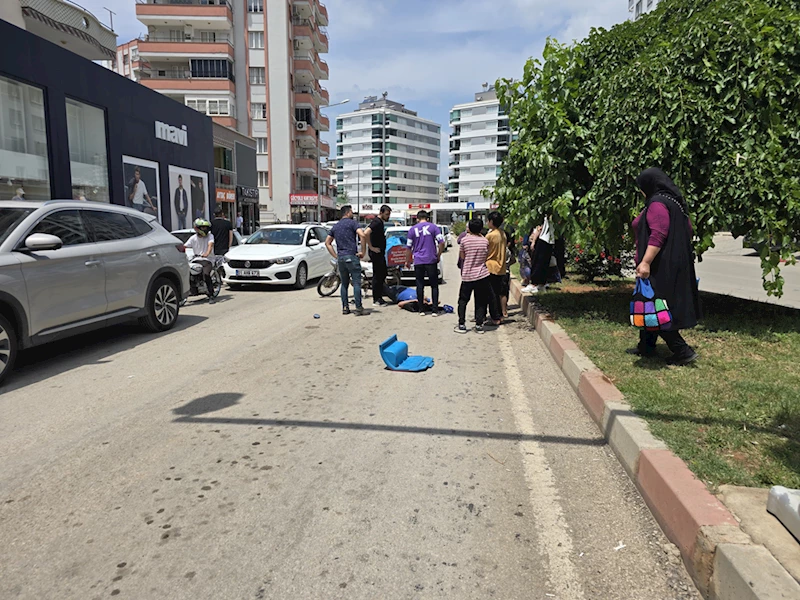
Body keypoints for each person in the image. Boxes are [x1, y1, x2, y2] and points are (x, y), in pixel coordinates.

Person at [630, 167, 700, 366]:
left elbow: (659, 233)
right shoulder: (675, 203)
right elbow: (688, 230)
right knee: (649, 301)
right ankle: (646, 346)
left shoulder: (657, 204)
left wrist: (646, 261)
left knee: (656, 306)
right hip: (672, 263)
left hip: (660, 265)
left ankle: (682, 351)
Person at [326, 205, 366, 316]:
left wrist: (335, 256)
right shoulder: (353, 223)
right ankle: (358, 307)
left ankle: (345, 307)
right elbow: (362, 235)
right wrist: (363, 251)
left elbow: (327, 243)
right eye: (352, 212)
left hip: (341, 258)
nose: (352, 214)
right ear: (348, 213)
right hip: (352, 256)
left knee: (344, 284)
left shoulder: (336, 226)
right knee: (356, 283)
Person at [455, 219, 493, 334]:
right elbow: (486, 255)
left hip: (467, 275)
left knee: (463, 300)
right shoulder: (485, 241)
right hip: (482, 275)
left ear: (469, 228)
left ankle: (462, 324)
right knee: (480, 301)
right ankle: (479, 325)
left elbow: (462, 256)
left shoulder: (464, 240)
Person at [405, 210, 445, 316]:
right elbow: (441, 242)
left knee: (419, 284)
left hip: (418, 260)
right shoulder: (433, 227)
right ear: (427, 218)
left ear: (417, 219)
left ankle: (421, 309)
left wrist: (407, 260)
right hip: (431, 259)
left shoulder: (412, 230)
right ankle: (435, 310)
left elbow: (408, 247)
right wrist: (438, 254)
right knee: (434, 285)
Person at [362, 204, 392, 306]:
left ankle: (380, 294)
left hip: (380, 253)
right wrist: (371, 247)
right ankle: (376, 299)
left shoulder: (380, 222)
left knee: (383, 273)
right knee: (378, 275)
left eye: (389, 214)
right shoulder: (376, 222)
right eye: (386, 214)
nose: (388, 216)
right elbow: (366, 233)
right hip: (376, 253)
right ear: (381, 213)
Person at [183, 218, 216, 302]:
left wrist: (207, 253)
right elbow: (184, 246)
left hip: (208, 260)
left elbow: (210, 245)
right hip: (196, 259)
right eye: (203, 227)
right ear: (196, 228)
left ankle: (211, 294)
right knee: (187, 273)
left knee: (206, 274)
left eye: (206, 227)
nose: (205, 229)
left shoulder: (210, 236)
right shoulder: (193, 238)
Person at [485, 211, 508, 322]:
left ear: (491, 221)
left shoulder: (490, 236)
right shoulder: (503, 234)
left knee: (491, 294)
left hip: (491, 266)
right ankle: (500, 315)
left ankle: (495, 318)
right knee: (498, 293)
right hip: (501, 267)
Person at [524, 216, 555, 294]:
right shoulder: (554, 217)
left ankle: (534, 284)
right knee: (544, 263)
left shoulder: (544, 216)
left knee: (537, 262)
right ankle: (541, 284)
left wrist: (534, 241)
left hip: (542, 239)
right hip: (550, 241)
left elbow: (539, 228)